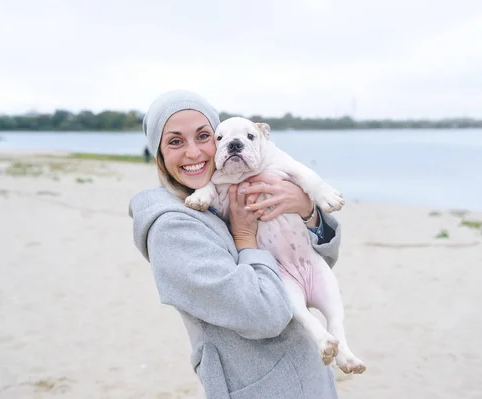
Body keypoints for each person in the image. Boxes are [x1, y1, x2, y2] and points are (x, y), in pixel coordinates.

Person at [129, 90, 344, 398]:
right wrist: (245, 236)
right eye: (175, 141)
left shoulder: (233, 187)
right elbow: (266, 315)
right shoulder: (172, 228)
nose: (193, 152)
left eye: (203, 136)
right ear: (159, 153)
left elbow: (313, 265)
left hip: (310, 371)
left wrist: (306, 210)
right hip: (257, 385)